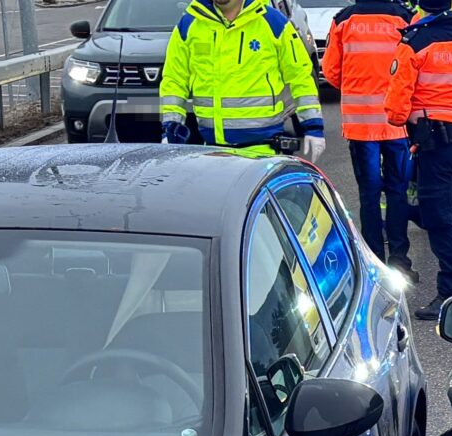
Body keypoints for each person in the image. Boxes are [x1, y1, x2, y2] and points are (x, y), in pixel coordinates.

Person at [387, 0, 452, 318]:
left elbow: (396, 110)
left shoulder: (414, 44)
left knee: (439, 219)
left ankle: (451, 294)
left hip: (433, 146)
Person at [157, 0, 326, 159]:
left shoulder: (273, 23)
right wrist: (171, 125)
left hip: (264, 151)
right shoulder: (189, 25)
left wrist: (313, 126)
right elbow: (174, 80)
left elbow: (300, 75)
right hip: (213, 151)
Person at [320, 0, 414, 275]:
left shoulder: (344, 20)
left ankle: (374, 262)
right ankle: (400, 261)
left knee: (369, 196)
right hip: (397, 124)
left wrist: (356, 81)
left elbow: (331, 72)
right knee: (397, 193)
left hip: (361, 127)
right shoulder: (404, 18)